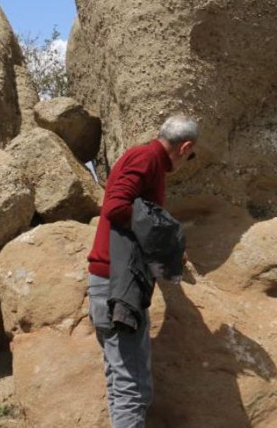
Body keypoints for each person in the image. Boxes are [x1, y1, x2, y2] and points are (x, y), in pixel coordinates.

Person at [87, 114, 198, 428]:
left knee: (121, 380)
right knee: (132, 389)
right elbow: (116, 206)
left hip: (111, 281)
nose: (187, 160)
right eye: (190, 155)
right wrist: (166, 237)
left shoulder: (145, 160)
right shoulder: (146, 158)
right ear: (185, 147)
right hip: (118, 285)